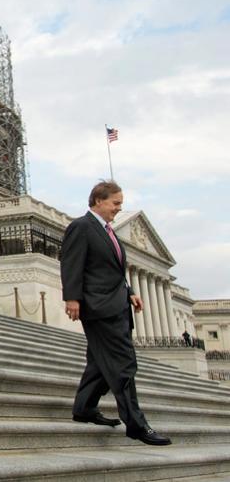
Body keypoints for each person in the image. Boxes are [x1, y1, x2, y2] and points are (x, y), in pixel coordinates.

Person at [62, 180, 170, 446]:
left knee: (100, 363)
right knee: (123, 364)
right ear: (99, 200)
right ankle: (136, 424)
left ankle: (84, 408)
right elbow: (71, 262)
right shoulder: (82, 227)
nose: (119, 209)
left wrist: (130, 291)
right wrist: (72, 298)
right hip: (99, 307)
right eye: (116, 203)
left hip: (116, 303)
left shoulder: (109, 232)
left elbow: (112, 270)